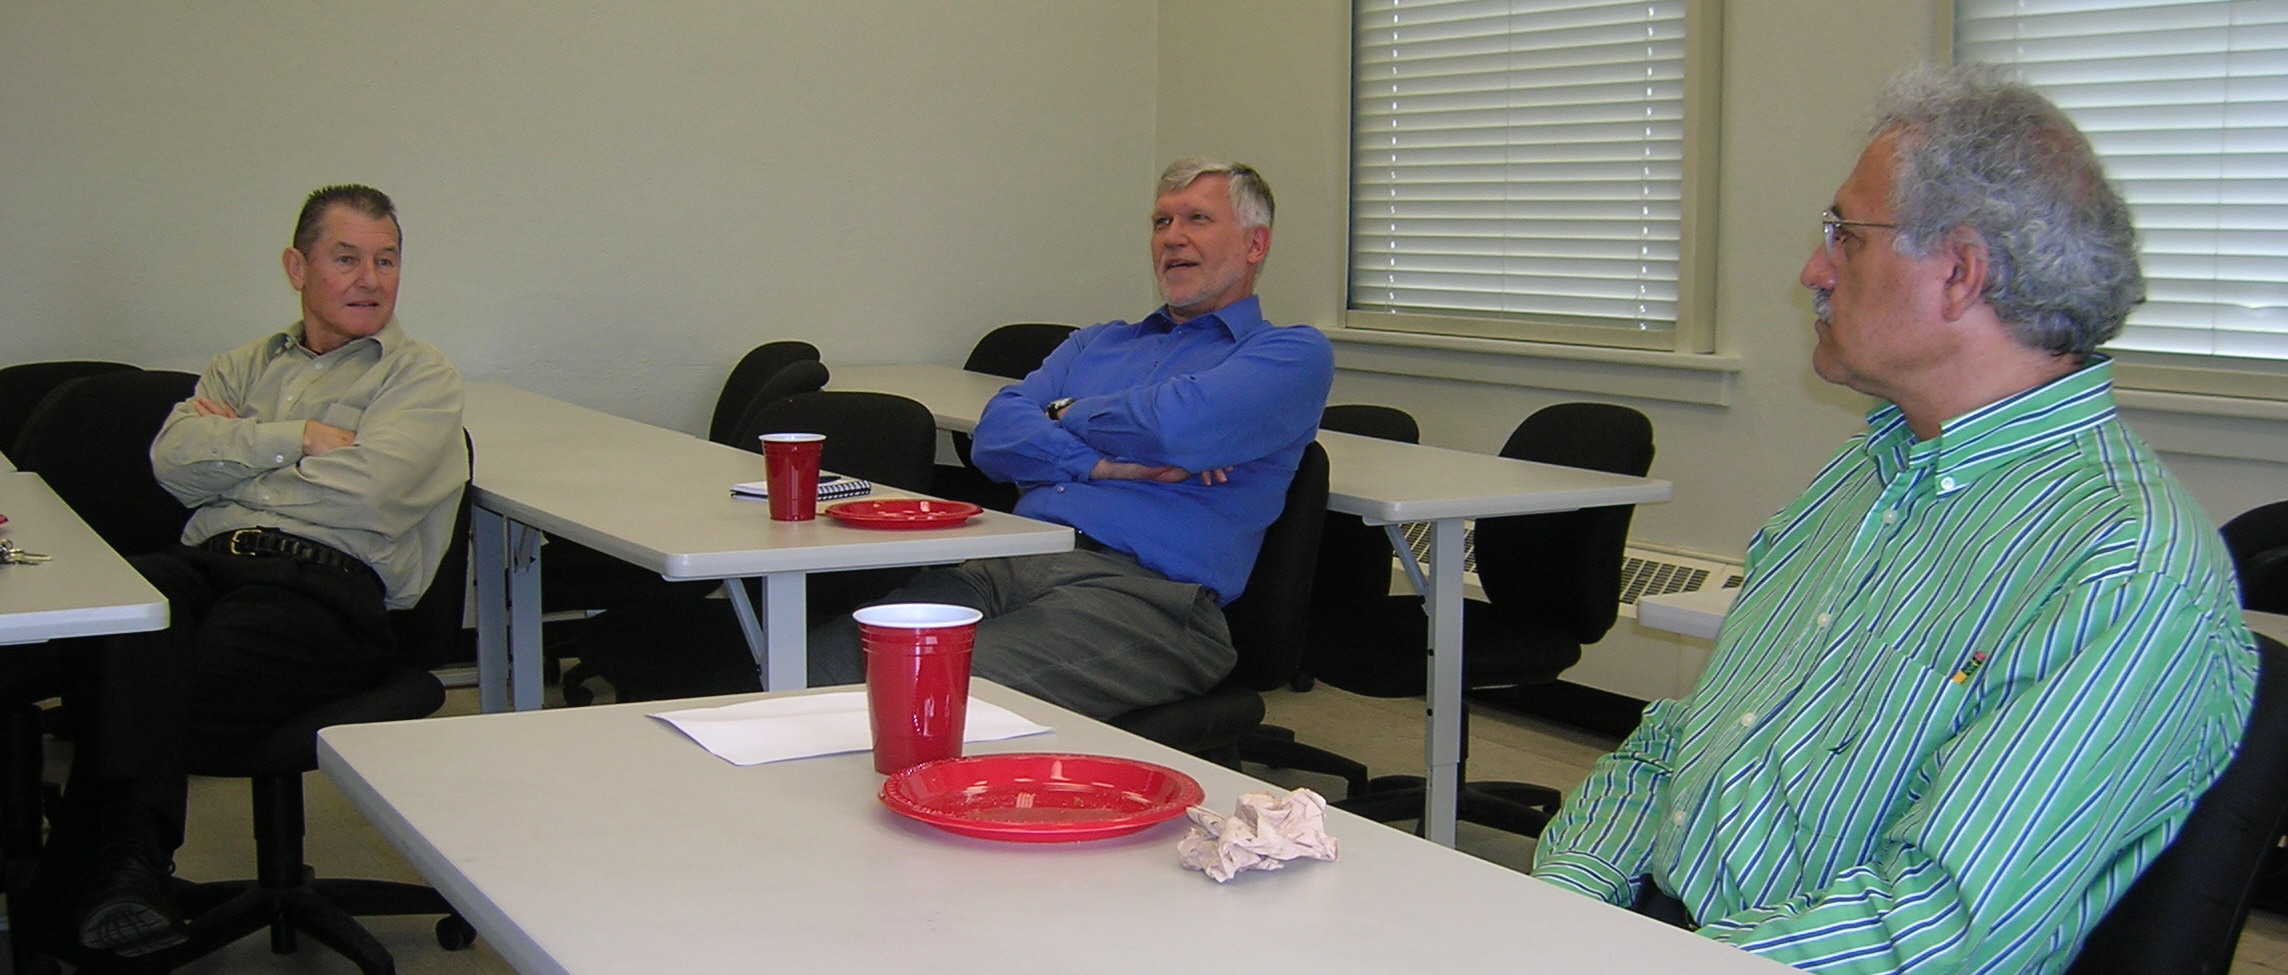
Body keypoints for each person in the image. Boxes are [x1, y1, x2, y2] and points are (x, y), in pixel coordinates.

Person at [1530, 63, 2259, 974]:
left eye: (1846, 235)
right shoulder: (1868, 474)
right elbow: (1685, 744)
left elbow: (1940, 926)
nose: (1813, 270)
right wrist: (1558, 908)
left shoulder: (2123, 570)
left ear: (1959, 273)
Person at [41, 184, 467, 958]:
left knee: (144, 683)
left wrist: (236, 455)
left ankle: (95, 884)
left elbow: (369, 493)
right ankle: (120, 879)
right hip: (207, 563)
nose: (371, 278)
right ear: (296, 267)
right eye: (346, 258)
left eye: (387, 259)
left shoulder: (421, 379)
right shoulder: (240, 366)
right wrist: (303, 435)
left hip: (322, 589)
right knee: (128, 614)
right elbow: (172, 462)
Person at [809, 157, 1334, 719]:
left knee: (923, 689)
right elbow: (995, 436)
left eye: (1197, 219)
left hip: (1144, 598)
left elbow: (1174, 428)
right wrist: (1103, 466)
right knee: (820, 661)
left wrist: (1064, 412)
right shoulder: (1097, 342)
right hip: (1007, 560)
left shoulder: (1289, 354)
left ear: (1256, 245)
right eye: (1161, 223)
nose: (1172, 239)